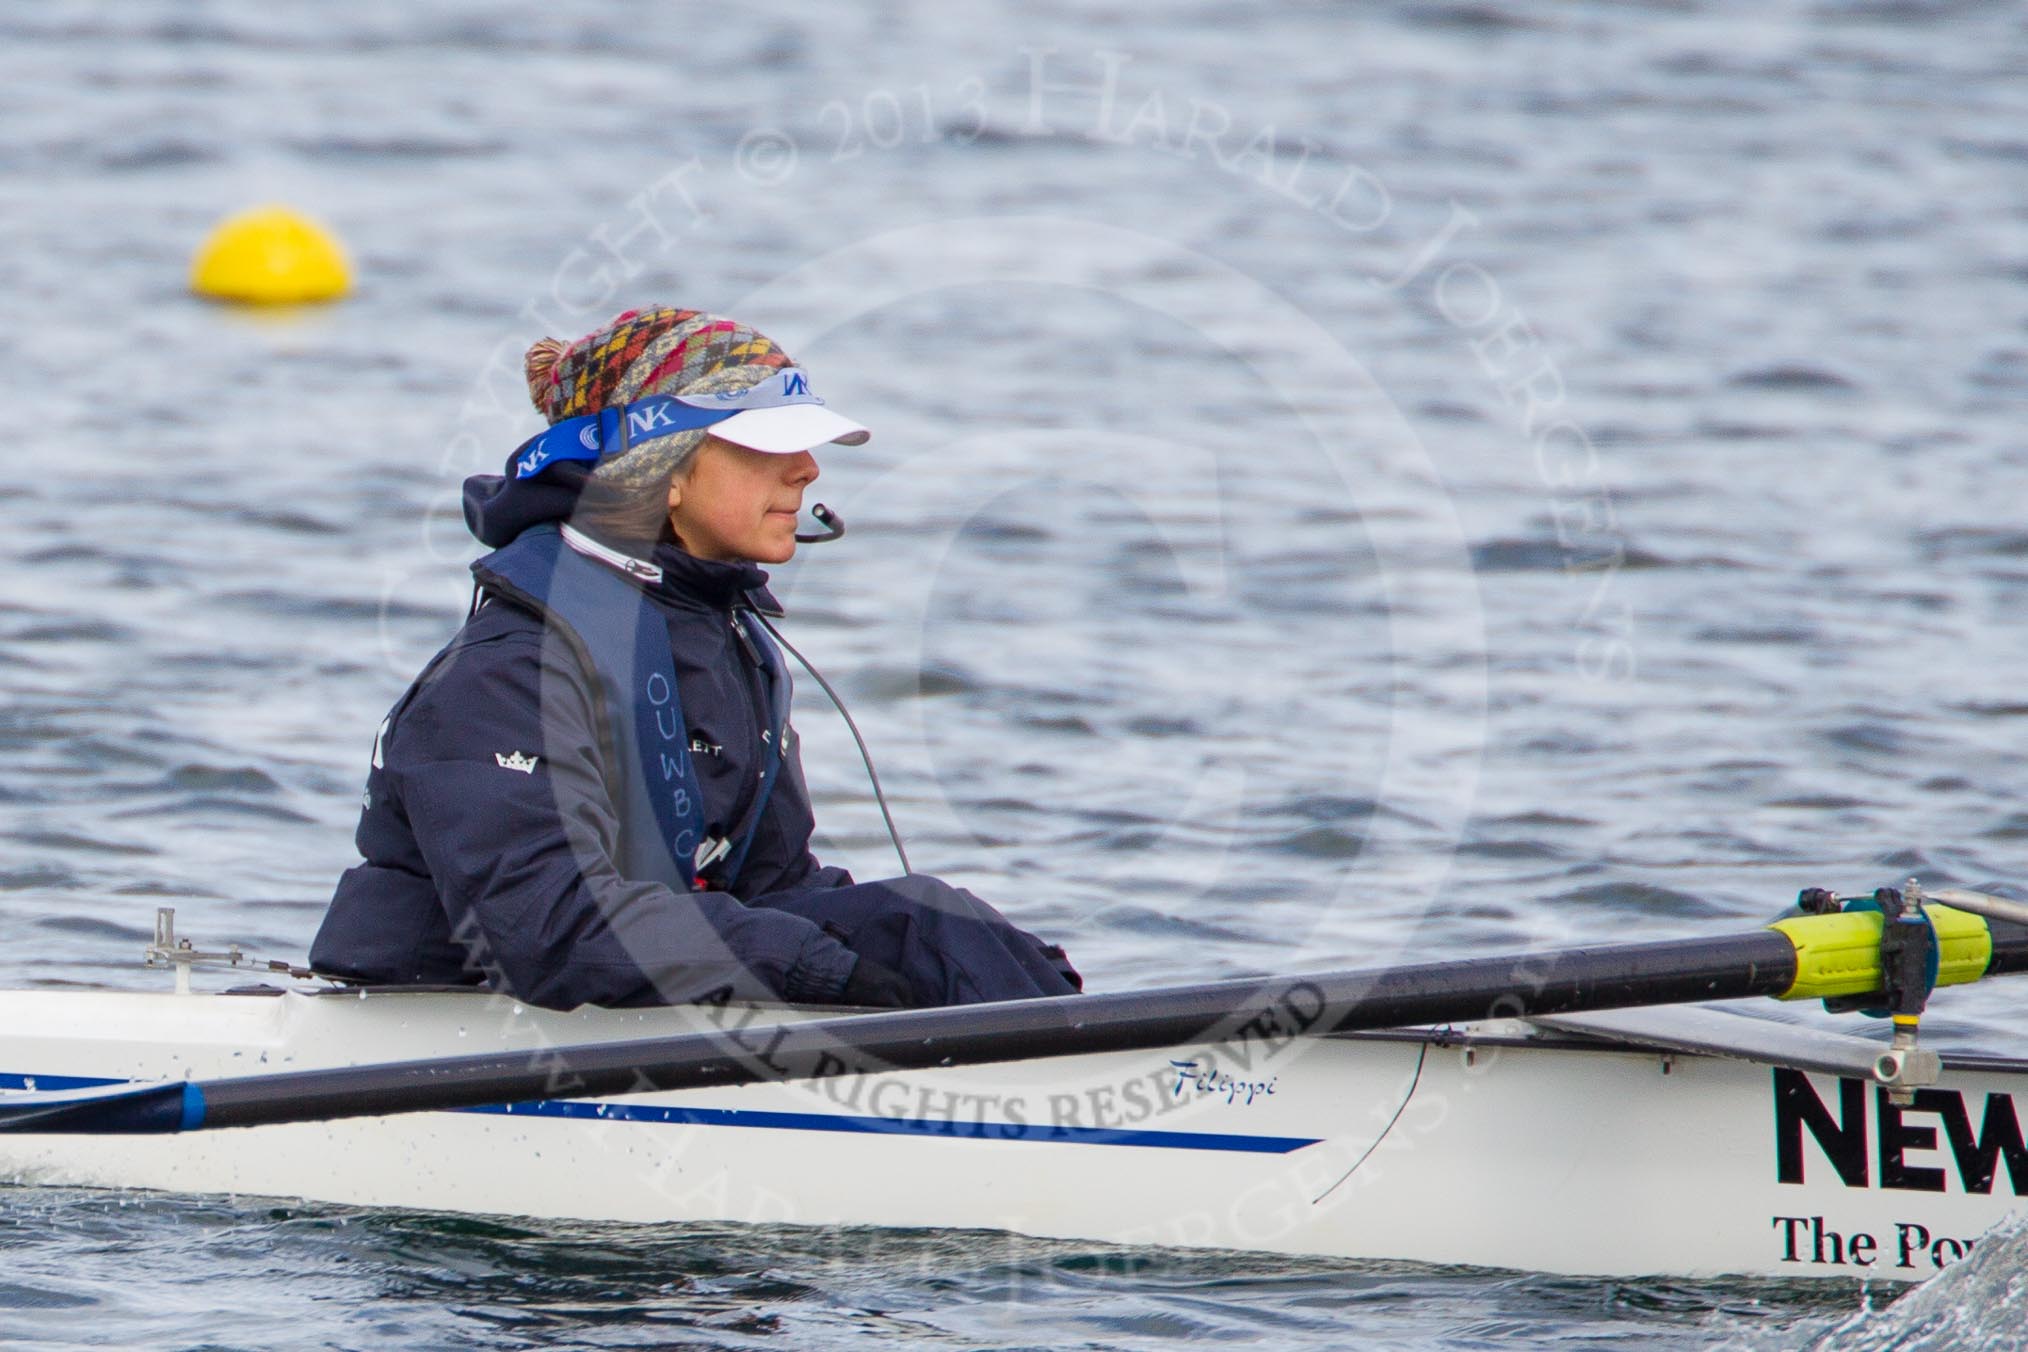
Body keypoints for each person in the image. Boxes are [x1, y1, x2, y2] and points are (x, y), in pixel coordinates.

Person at [309, 306, 1081, 1010]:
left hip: (626, 1003)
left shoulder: (729, 641)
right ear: (663, 472)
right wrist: (825, 971)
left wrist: (926, 948)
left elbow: (770, 889)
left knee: (936, 925)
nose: (808, 469)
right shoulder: (506, 672)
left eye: (804, 445)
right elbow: (549, 930)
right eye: (766, 446)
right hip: (448, 1023)